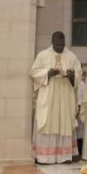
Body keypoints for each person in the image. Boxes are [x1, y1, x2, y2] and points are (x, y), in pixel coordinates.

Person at [31, 31, 82, 164]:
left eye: (62, 44)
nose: (60, 46)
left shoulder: (71, 56)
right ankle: (45, 157)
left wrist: (72, 76)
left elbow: (78, 74)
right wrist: (48, 73)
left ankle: (64, 156)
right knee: (48, 120)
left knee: (64, 121)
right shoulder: (43, 55)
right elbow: (34, 72)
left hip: (65, 95)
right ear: (52, 42)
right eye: (57, 44)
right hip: (49, 95)